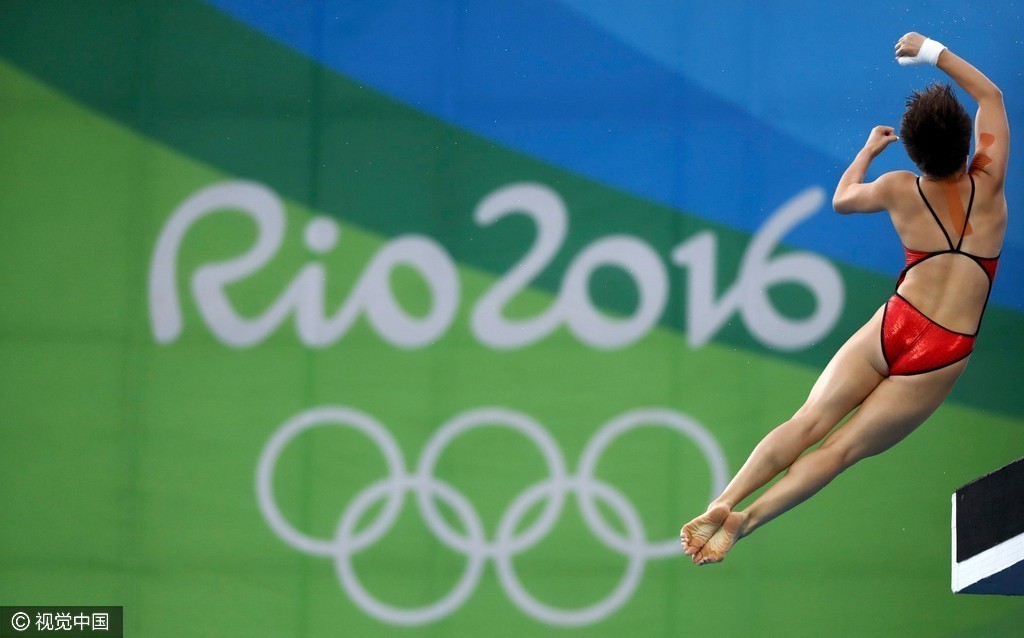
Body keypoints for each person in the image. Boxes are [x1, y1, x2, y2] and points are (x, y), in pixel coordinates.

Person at [679, 32, 1009, 566]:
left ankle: (725, 499)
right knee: (840, 451)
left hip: (896, 324)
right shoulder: (988, 184)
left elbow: (842, 199)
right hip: (942, 351)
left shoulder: (898, 188)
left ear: (914, 152)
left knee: (808, 421)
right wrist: (931, 51)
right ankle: (746, 522)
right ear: (968, 140)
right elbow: (990, 95)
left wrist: (869, 151)